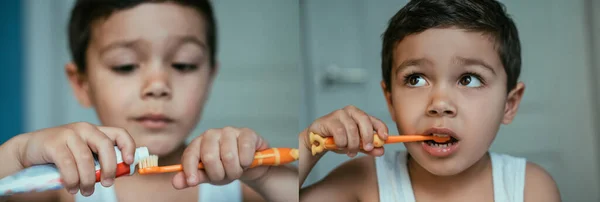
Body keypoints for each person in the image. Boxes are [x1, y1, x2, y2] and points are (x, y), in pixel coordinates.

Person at [0, 0, 297, 201]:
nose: (158, 86)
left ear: (209, 77)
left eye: (183, 64)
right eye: (125, 65)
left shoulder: (243, 187)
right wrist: (16, 154)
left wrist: (267, 176)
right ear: (82, 83)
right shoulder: (61, 190)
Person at [299, 0, 560, 201]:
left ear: (509, 104)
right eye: (416, 79)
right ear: (390, 100)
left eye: (469, 79)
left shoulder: (530, 188)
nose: (439, 103)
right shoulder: (362, 181)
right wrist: (308, 148)